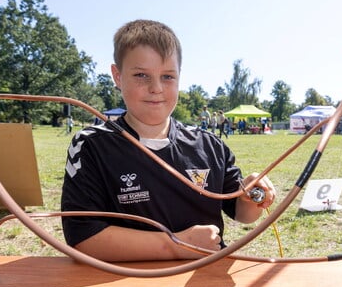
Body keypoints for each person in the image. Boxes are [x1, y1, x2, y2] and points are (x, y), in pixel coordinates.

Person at [61, 19, 276, 262]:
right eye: (141, 75)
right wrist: (176, 245)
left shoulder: (209, 145)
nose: (156, 88)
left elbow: (241, 213)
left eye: (168, 76)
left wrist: (250, 196)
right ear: (118, 76)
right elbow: (82, 238)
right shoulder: (92, 145)